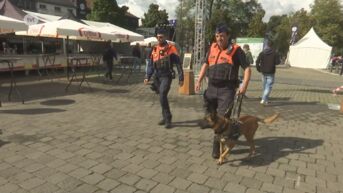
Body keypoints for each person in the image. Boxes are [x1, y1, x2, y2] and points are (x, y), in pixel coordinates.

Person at [195, 24, 251, 159]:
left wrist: (244, 85)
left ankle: (216, 148)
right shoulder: (212, 48)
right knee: (209, 115)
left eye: (222, 36)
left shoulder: (236, 50)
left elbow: (247, 69)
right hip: (211, 89)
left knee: (220, 120)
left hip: (226, 91)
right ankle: (228, 134)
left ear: (228, 36)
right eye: (217, 36)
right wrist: (199, 80)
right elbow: (205, 64)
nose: (219, 38)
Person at [144, 29, 184, 129]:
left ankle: (168, 119)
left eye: (161, 37)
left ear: (165, 37)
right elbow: (151, 65)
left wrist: (181, 77)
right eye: (157, 37)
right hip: (157, 76)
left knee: (162, 95)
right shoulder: (154, 49)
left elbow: (178, 64)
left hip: (166, 76)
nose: (159, 39)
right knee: (162, 97)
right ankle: (164, 117)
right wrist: (147, 76)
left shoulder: (171, 48)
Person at [255, 40, 280, 105]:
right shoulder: (275, 53)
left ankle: (266, 100)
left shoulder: (262, 53)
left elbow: (257, 61)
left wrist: (258, 69)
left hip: (263, 71)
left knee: (265, 86)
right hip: (271, 71)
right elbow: (278, 62)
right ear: (272, 46)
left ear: (266, 45)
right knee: (269, 86)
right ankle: (263, 99)